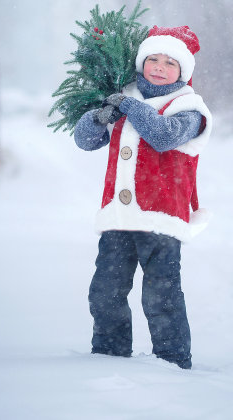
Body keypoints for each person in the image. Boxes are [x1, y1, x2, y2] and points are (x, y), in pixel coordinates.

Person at [74, 25, 212, 369]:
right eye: (153, 58)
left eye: (170, 62)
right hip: (118, 219)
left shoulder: (191, 109)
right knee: (105, 292)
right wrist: (98, 117)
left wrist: (129, 107)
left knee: (161, 295)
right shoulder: (125, 98)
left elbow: (163, 136)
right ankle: (109, 356)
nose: (159, 66)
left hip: (162, 220)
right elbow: (86, 141)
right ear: (142, 61)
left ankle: (174, 361)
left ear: (183, 72)